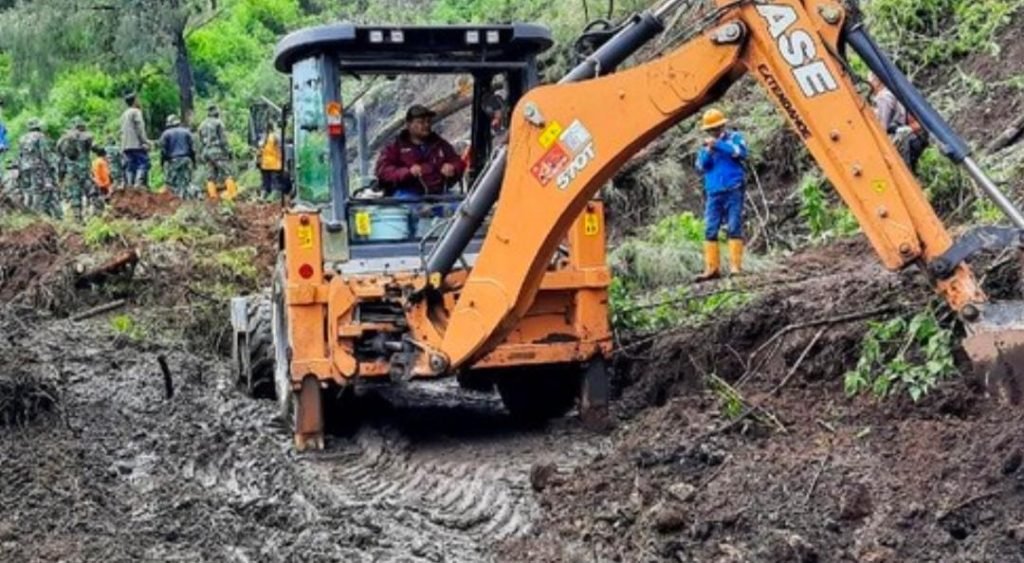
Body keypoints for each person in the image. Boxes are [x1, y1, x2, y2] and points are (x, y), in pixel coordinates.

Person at [694, 108, 748, 282]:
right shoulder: (705, 147)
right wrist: (709, 152)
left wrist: (718, 145)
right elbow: (701, 166)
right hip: (714, 192)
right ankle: (712, 268)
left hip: (733, 188)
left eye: (716, 129)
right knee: (710, 228)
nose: (714, 132)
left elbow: (740, 153)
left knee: (734, 226)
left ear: (723, 126)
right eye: (710, 130)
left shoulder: (735, 138)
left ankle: (735, 267)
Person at [375, 104, 465, 198]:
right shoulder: (395, 146)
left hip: (439, 193)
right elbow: (383, 171)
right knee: (407, 205)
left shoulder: (439, 143)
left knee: (460, 206)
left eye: (428, 121)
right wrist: (408, 172)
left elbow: (457, 161)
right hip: (407, 193)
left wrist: (453, 167)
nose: (426, 125)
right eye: (421, 122)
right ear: (408, 124)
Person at [869, 73, 929, 171]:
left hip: (908, 138)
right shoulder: (893, 90)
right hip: (918, 136)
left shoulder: (883, 97)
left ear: (877, 82)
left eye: (871, 81)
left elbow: (881, 128)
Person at [57, 116, 101, 221]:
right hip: (85, 171)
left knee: (75, 195)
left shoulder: (64, 138)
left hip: (72, 172)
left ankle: (77, 219)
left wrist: (61, 175)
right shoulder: (87, 136)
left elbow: (60, 155)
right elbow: (97, 148)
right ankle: (96, 216)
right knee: (93, 192)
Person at [17, 118, 60, 219]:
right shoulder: (40, 137)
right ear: (38, 126)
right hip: (37, 167)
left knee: (27, 191)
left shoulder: (22, 138)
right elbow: (45, 154)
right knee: (39, 191)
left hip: (24, 167)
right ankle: (37, 215)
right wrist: (52, 166)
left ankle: (27, 213)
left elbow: (20, 155)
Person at [199, 104, 237, 201]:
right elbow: (223, 140)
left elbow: (200, 141)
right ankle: (233, 195)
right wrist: (228, 151)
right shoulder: (218, 123)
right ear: (216, 112)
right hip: (218, 151)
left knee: (210, 176)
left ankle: (213, 197)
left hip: (206, 152)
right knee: (227, 173)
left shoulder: (201, 125)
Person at [159, 114, 197, 199]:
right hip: (186, 159)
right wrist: (194, 162)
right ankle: (189, 200)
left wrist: (162, 163)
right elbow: (192, 149)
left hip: (173, 161)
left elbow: (163, 151)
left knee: (172, 183)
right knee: (187, 181)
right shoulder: (187, 132)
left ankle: (176, 199)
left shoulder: (166, 134)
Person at [120, 92, 150, 189]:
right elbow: (139, 128)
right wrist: (145, 142)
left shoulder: (124, 114)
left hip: (125, 145)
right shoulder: (136, 112)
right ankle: (138, 183)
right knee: (143, 163)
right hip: (136, 144)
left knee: (130, 166)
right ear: (135, 101)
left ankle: (130, 185)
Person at [257, 119, 284, 201]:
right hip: (275, 163)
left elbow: (260, 150)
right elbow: (281, 148)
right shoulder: (276, 136)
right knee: (275, 181)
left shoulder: (263, 137)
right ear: (273, 127)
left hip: (265, 163)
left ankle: (263, 196)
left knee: (265, 182)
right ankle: (273, 197)